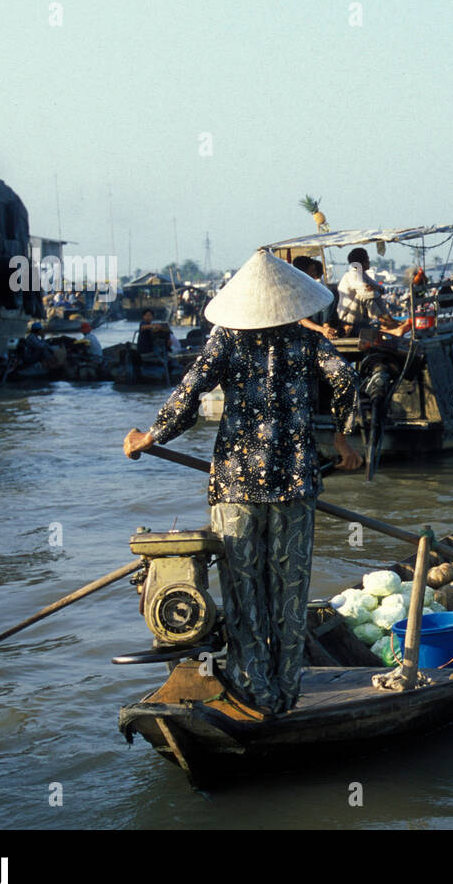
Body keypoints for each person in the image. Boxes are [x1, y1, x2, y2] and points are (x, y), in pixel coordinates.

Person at [123, 249, 363, 715]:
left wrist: (149, 435)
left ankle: (256, 693)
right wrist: (342, 435)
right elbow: (346, 380)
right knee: (289, 593)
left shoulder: (226, 341)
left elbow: (190, 393)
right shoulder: (306, 340)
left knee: (244, 593)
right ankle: (286, 692)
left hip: (236, 485)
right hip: (295, 483)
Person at [336, 248, 412, 337]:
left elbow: (382, 289)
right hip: (347, 317)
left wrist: (375, 288)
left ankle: (389, 321)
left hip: (358, 314)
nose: (369, 261)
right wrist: (375, 290)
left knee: (373, 296)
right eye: (367, 259)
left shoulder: (363, 275)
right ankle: (386, 323)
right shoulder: (353, 274)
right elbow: (369, 294)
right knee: (363, 296)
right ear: (362, 262)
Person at [291, 256, 339, 339]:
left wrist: (326, 327)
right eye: (312, 271)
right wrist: (322, 329)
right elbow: (301, 319)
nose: (315, 274)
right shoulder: (296, 290)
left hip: (319, 327)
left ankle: (327, 328)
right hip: (303, 330)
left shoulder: (314, 288)